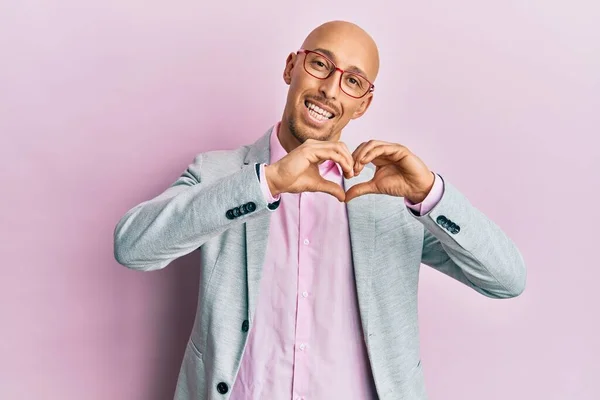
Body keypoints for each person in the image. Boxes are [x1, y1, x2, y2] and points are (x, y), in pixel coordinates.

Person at [113, 20, 526, 400]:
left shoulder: (391, 196)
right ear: (292, 66)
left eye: (352, 81)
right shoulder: (219, 175)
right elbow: (133, 247)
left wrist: (431, 195)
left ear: (364, 103)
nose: (330, 89)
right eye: (320, 64)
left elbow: (507, 279)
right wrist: (266, 183)